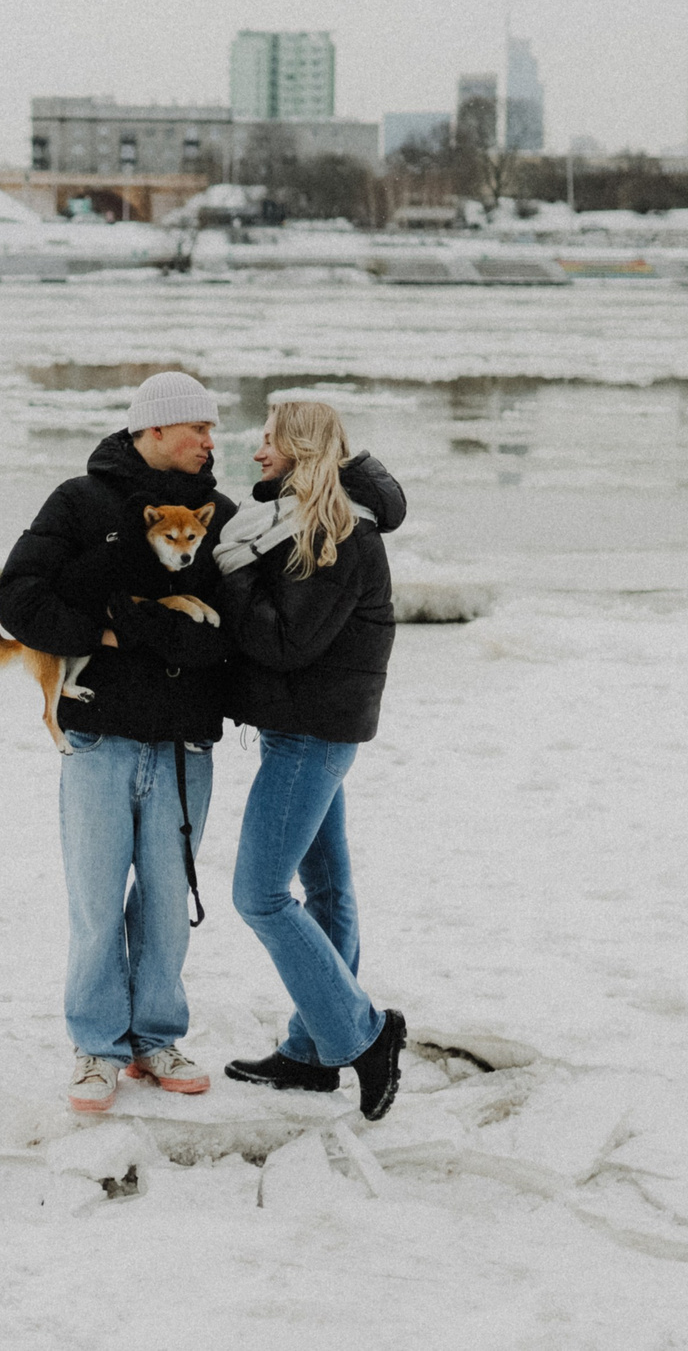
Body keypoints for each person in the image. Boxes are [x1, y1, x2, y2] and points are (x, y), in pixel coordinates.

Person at [0, 371, 234, 1114]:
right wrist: (105, 634)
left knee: (167, 905)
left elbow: (227, 630)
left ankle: (156, 1038)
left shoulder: (222, 514)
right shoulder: (79, 501)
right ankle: (97, 1046)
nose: (211, 441)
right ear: (155, 429)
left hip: (184, 746)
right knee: (97, 902)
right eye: (198, 427)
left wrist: (134, 624)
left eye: (212, 429)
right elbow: (20, 601)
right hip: (99, 739)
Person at [213, 398, 411, 1120]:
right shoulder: (298, 520)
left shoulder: (337, 531)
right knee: (325, 889)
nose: (256, 450)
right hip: (306, 725)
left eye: (269, 439)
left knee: (259, 894)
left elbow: (285, 642)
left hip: (311, 733)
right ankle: (311, 1052)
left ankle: (363, 1032)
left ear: (299, 447)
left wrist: (235, 572)